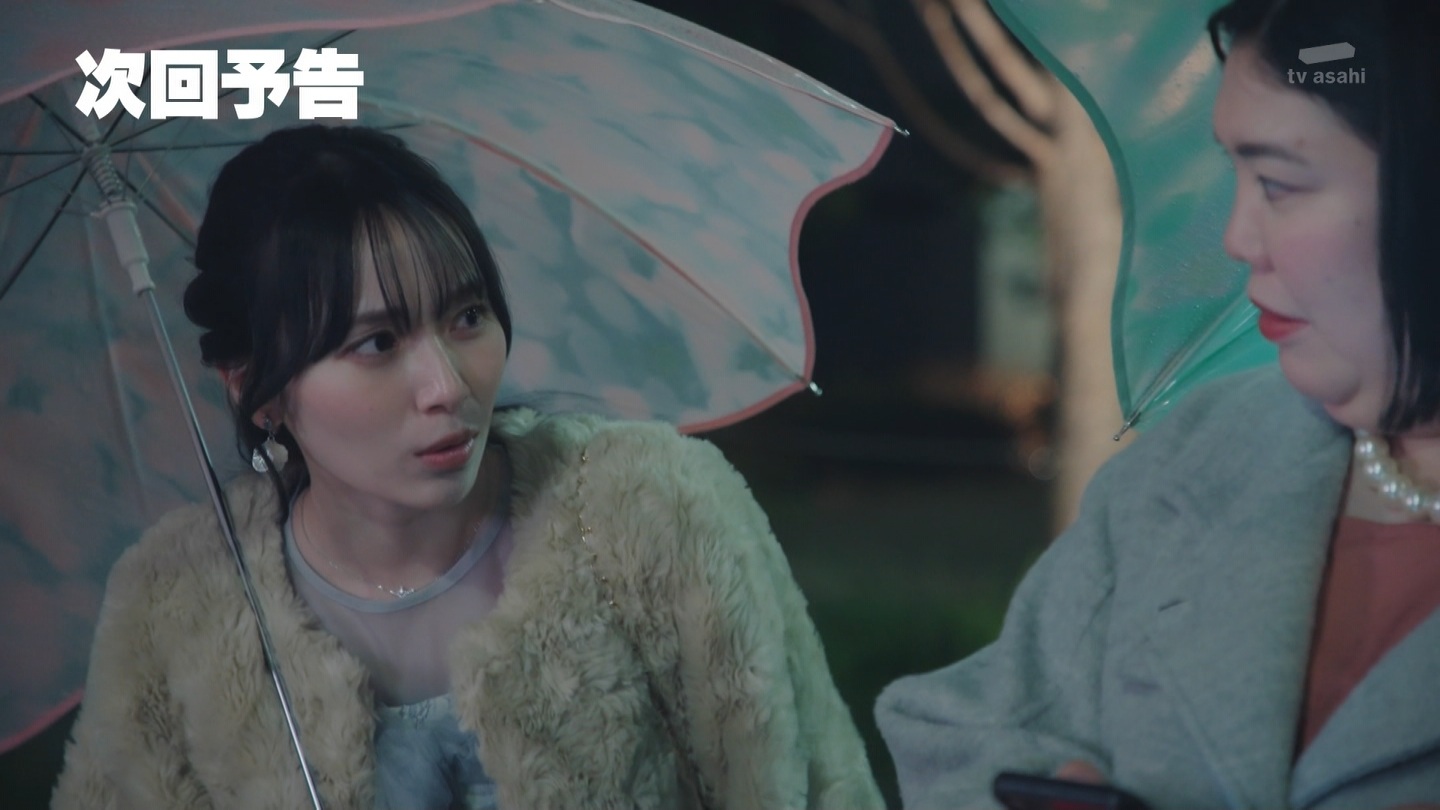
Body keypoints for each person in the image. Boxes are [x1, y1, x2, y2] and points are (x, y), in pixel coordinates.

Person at [51, 125, 883, 810]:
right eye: (376, 343)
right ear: (256, 389)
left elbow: (812, 785)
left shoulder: (652, 511)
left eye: (467, 315)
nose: (448, 386)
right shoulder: (179, 601)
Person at [876, 0, 1440, 807]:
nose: (1237, 238)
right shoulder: (1200, 455)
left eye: (1278, 183)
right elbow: (962, 733)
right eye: (1233, 174)